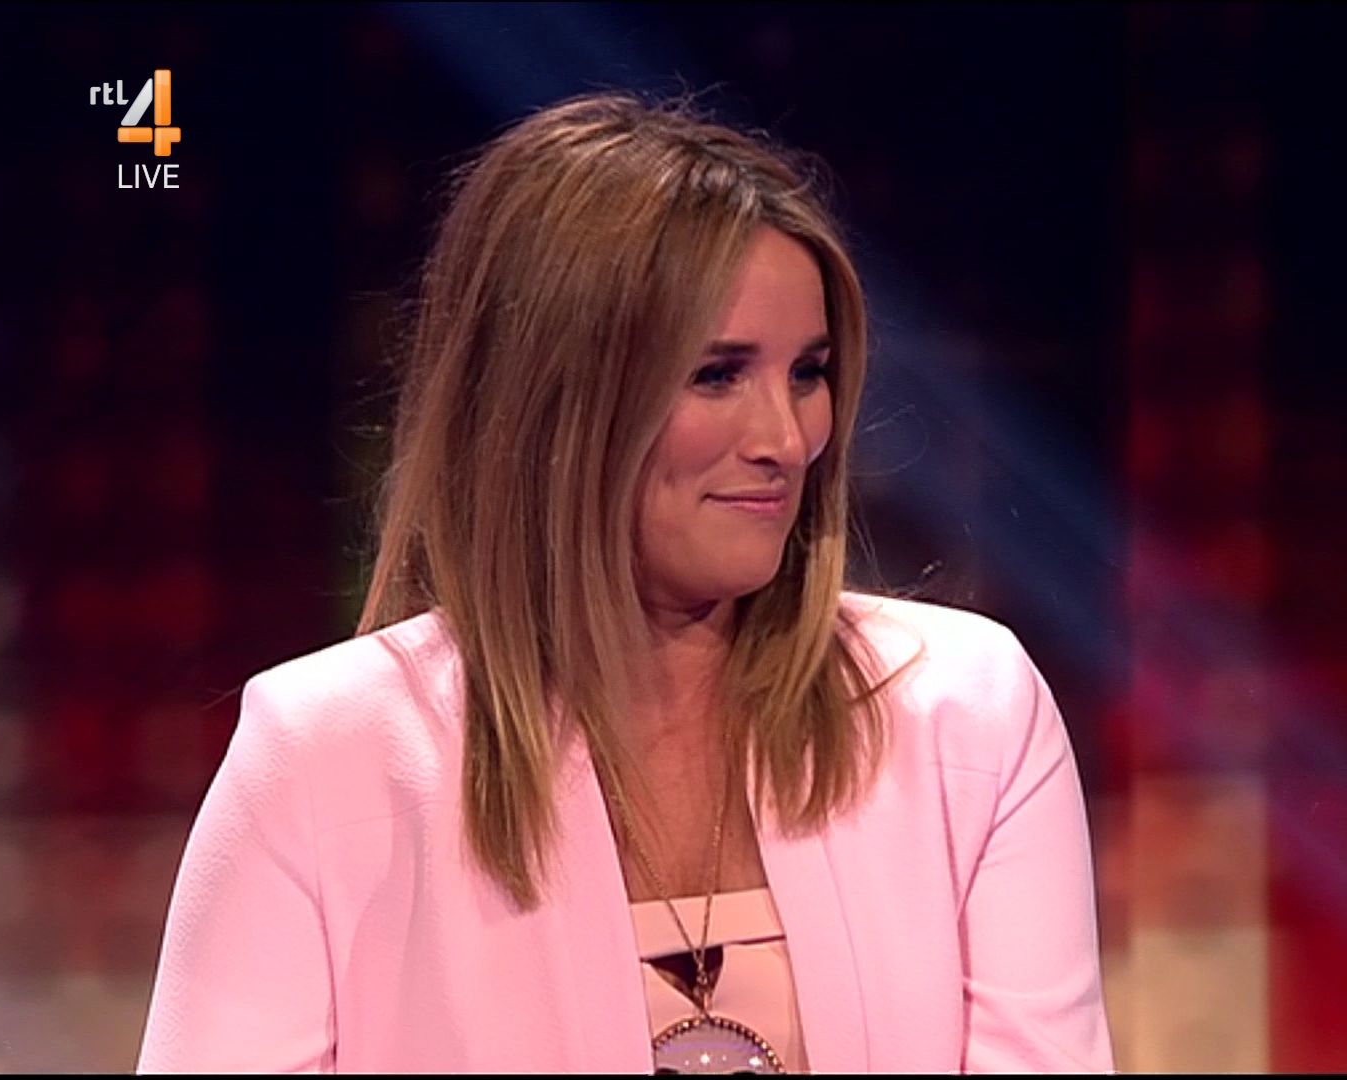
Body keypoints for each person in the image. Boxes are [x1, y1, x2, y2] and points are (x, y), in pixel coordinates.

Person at [136, 91, 1113, 1074]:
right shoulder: (327, 759)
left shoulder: (966, 717)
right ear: (559, 399)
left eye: (808, 372)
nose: (786, 439)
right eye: (718, 374)